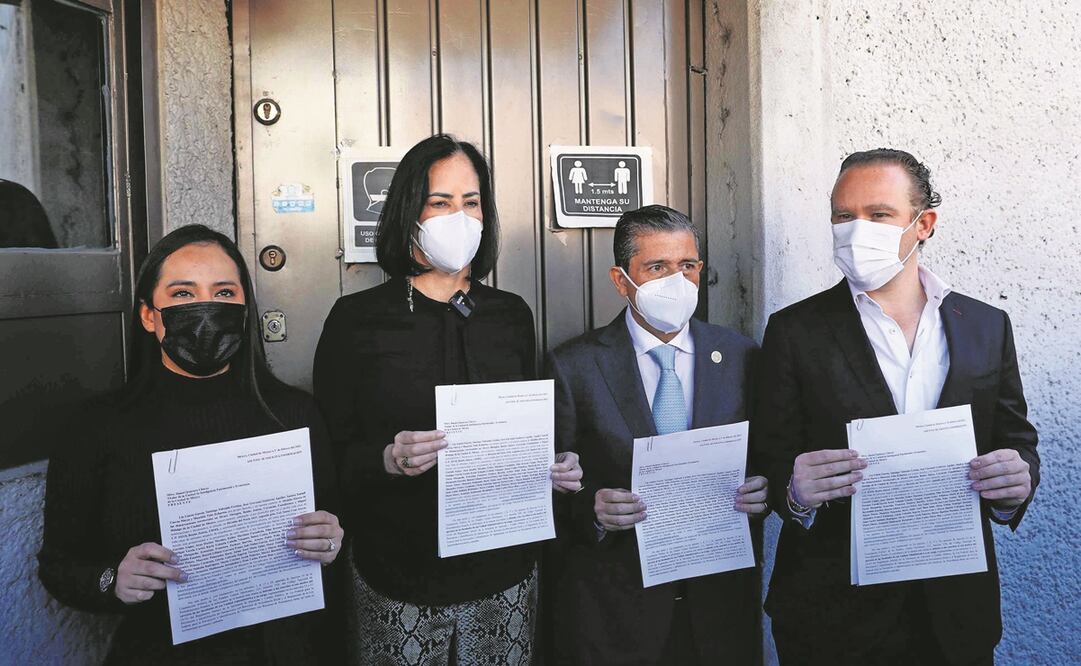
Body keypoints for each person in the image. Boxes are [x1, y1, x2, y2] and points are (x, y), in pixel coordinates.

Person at [753, 149, 1039, 665]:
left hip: (955, 615)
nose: (855, 229)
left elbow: (1016, 440)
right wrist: (793, 491)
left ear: (923, 224)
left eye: (878, 214)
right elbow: (769, 457)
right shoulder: (794, 331)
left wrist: (1016, 484)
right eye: (843, 215)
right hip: (831, 618)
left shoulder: (985, 325)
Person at [313, 134, 583, 665]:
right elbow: (329, 455)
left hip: (504, 571)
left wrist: (553, 465)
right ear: (408, 213)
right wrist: (387, 458)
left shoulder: (511, 314)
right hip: (398, 574)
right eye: (440, 202)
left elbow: (526, 430)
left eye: (471, 202)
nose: (459, 217)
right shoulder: (356, 321)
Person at [38, 224, 345, 665]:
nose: (205, 307)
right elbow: (60, 565)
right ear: (149, 316)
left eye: (224, 293)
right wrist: (112, 580)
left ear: (244, 310)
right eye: (183, 293)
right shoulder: (96, 427)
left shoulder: (296, 415)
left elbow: (334, 525)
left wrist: (331, 540)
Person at [545, 204, 768, 665]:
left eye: (687, 266)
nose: (676, 281)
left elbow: (767, 456)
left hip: (719, 611)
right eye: (657, 267)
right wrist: (592, 509)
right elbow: (548, 487)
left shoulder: (741, 355)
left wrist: (763, 488)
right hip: (618, 616)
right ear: (620, 280)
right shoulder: (573, 366)